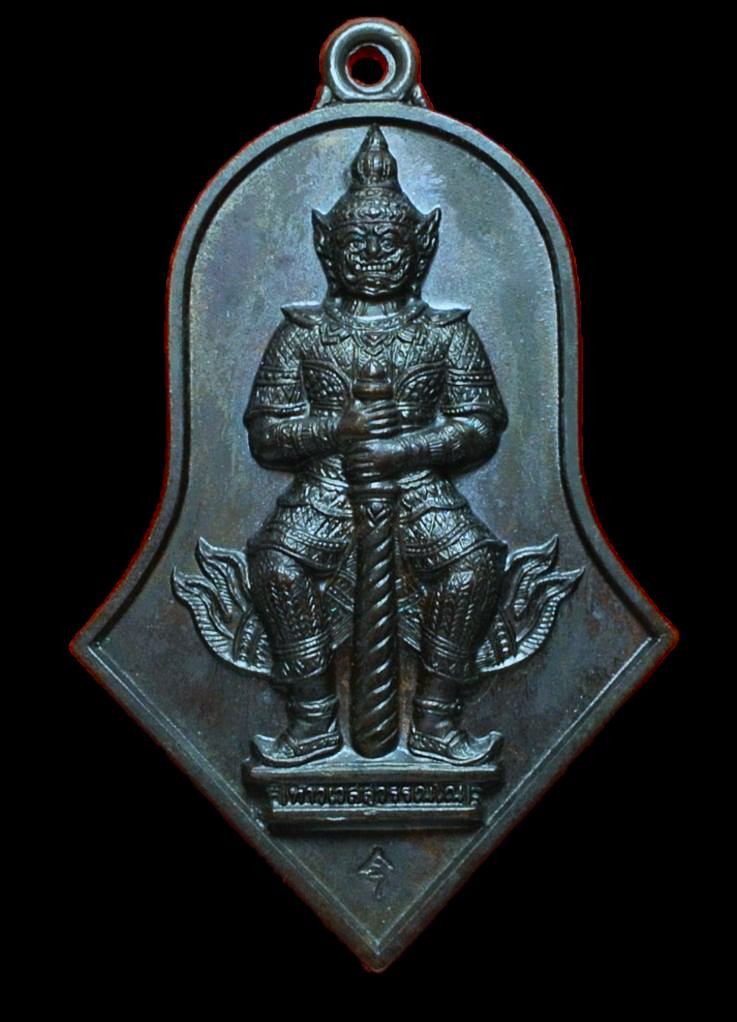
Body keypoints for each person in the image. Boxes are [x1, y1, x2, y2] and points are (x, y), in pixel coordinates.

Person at [244, 125, 508, 767]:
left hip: (416, 483)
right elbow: (267, 434)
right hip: (328, 485)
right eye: (355, 242)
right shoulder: (303, 334)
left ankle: (436, 718)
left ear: (420, 247)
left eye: (388, 242)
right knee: (275, 565)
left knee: (475, 566)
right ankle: (313, 717)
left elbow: (479, 425)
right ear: (327, 247)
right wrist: (336, 431)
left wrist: (405, 450)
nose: (371, 255)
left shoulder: (445, 334)